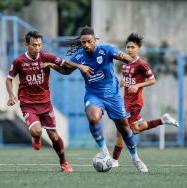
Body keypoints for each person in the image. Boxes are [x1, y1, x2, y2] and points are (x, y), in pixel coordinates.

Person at [47, 26, 149, 172]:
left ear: (95, 40)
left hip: (113, 95)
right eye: (83, 43)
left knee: (125, 129)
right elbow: (66, 69)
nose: (86, 45)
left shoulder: (106, 50)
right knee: (93, 118)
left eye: (89, 41)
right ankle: (105, 152)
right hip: (93, 95)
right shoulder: (79, 56)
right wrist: (54, 66)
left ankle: (136, 159)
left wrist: (125, 57)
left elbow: (125, 57)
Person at [5, 30, 91, 173]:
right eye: (34, 45)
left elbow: (66, 64)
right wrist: (11, 95)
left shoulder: (47, 57)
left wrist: (79, 66)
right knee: (37, 131)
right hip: (28, 103)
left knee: (53, 135)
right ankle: (36, 138)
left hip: (45, 103)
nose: (37, 48)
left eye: (39, 45)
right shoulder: (19, 61)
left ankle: (64, 162)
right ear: (27, 45)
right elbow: (9, 79)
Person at [111, 33, 179, 167]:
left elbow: (153, 80)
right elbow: (128, 78)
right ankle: (162, 120)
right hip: (125, 101)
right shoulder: (125, 62)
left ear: (138, 49)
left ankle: (114, 160)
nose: (129, 49)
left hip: (135, 103)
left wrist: (137, 85)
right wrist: (123, 82)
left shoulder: (142, 64)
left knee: (121, 130)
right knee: (134, 129)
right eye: (128, 47)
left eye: (132, 47)